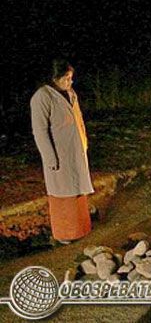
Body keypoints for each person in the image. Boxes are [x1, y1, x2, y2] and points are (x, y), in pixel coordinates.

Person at [30, 59, 94, 244]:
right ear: (55, 78)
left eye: (71, 78)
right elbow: (40, 130)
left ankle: (82, 228)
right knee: (63, 194)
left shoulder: (70, 94)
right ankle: (66, 234)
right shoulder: (42, 97)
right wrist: (50, 158)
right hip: (60, 154)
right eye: (66, 78)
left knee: (77, 191)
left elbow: (78, 118)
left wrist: (84, 141)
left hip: (76, 150)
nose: (70, 82)